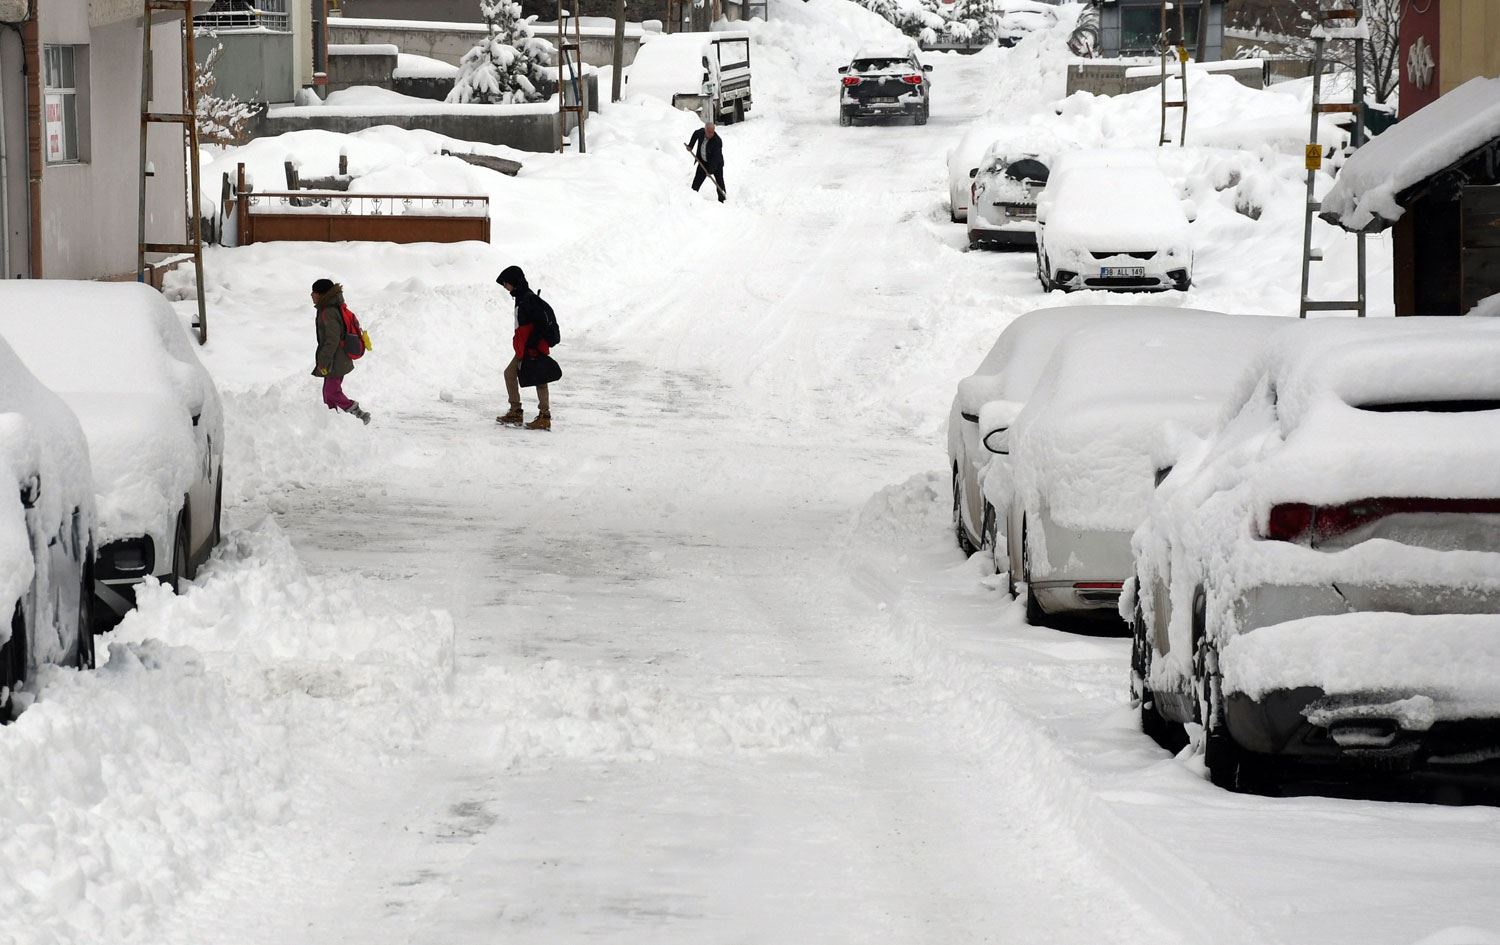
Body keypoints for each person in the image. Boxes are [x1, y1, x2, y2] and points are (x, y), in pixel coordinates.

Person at [496, 265, 553, 431]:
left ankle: (544, 416)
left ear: (514, 282)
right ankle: (515, 411)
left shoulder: (528, 299)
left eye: (506, 283)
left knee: (540, 379)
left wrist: (532, 344)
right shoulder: (520, 298)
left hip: (533, 347)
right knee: (509, 373)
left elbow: (540, 324)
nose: (505, 287)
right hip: (524, 348)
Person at [311, 278, 371, 424]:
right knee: (328, 393)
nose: (311, 295)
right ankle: (331, 421)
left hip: (336, 359)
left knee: (331, 391)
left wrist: (323, 361)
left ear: (321, 294)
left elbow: (332, 340)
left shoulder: (329, 312)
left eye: (314, 292)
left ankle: (358, 413)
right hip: (337, 357)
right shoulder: (331, 308)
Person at [685, 121, 726, 203]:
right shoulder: (701, 132)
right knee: (697, 180)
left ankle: (723, 200)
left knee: (719, 182)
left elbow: (716, 159)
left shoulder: (717, 141)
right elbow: (695, 134)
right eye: (709, 132)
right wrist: (690, 145)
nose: (711, 134)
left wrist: (710, 171)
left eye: (712, 132)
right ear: (705, 130)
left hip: (716, 164)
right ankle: (692, 197)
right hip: (703, 162)